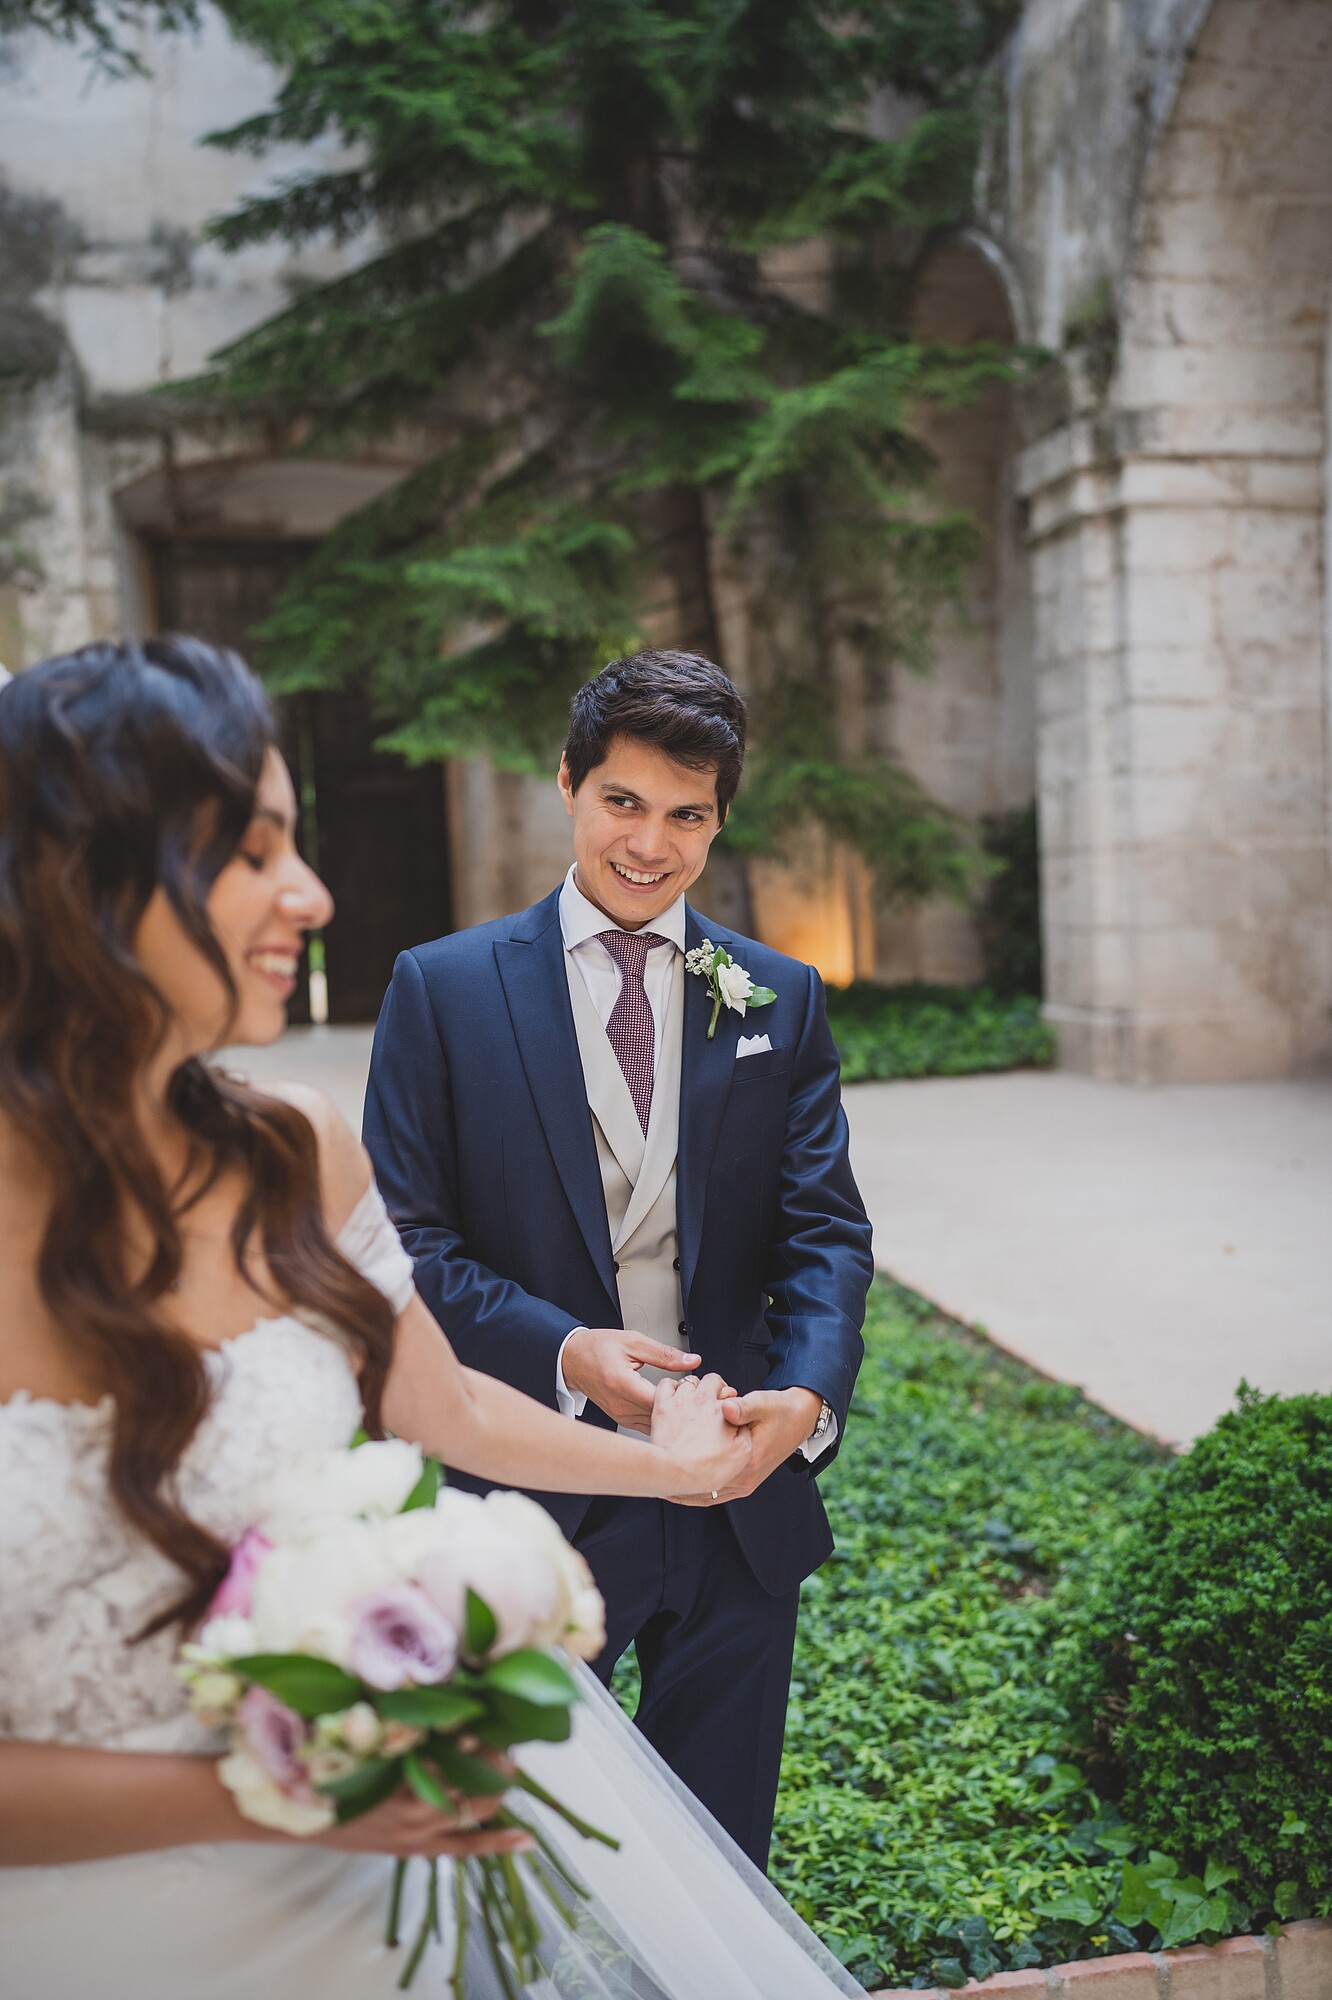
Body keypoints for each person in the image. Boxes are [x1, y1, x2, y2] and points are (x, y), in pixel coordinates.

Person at [0, 638, 862, 1999]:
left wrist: (699, 1458)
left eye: (687, 812)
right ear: (81, 878)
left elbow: (442, 1406)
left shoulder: (294, 1149)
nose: (313, 891)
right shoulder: (446, 988)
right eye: (251, 848)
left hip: (366, 1886)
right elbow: (448, 1279)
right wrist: (284, 1791)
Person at [365, 649, 874, 1872]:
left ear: (720, 819)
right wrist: (565, 1349)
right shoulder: (442, 990)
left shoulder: (777, 996)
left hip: (737, 1494)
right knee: (522, 1843)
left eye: (687, 814)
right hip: (535, 1498)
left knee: (716, 1852)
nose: (651, 843)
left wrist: (801, 1400)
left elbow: (825, 1230)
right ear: (568, 786)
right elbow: (406, 1244)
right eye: (624, 802)